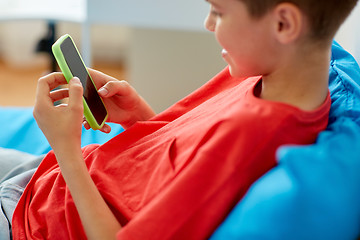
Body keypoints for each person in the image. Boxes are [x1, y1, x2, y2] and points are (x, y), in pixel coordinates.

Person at [0, 0, 357, 239]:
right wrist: (141, 118)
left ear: (283, 23)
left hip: (33, 224)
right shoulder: (261, 77)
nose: (208, 22)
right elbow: (179, 169)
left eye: (219, 11)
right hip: (40, 183)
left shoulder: (251, 136)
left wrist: (67, 148)